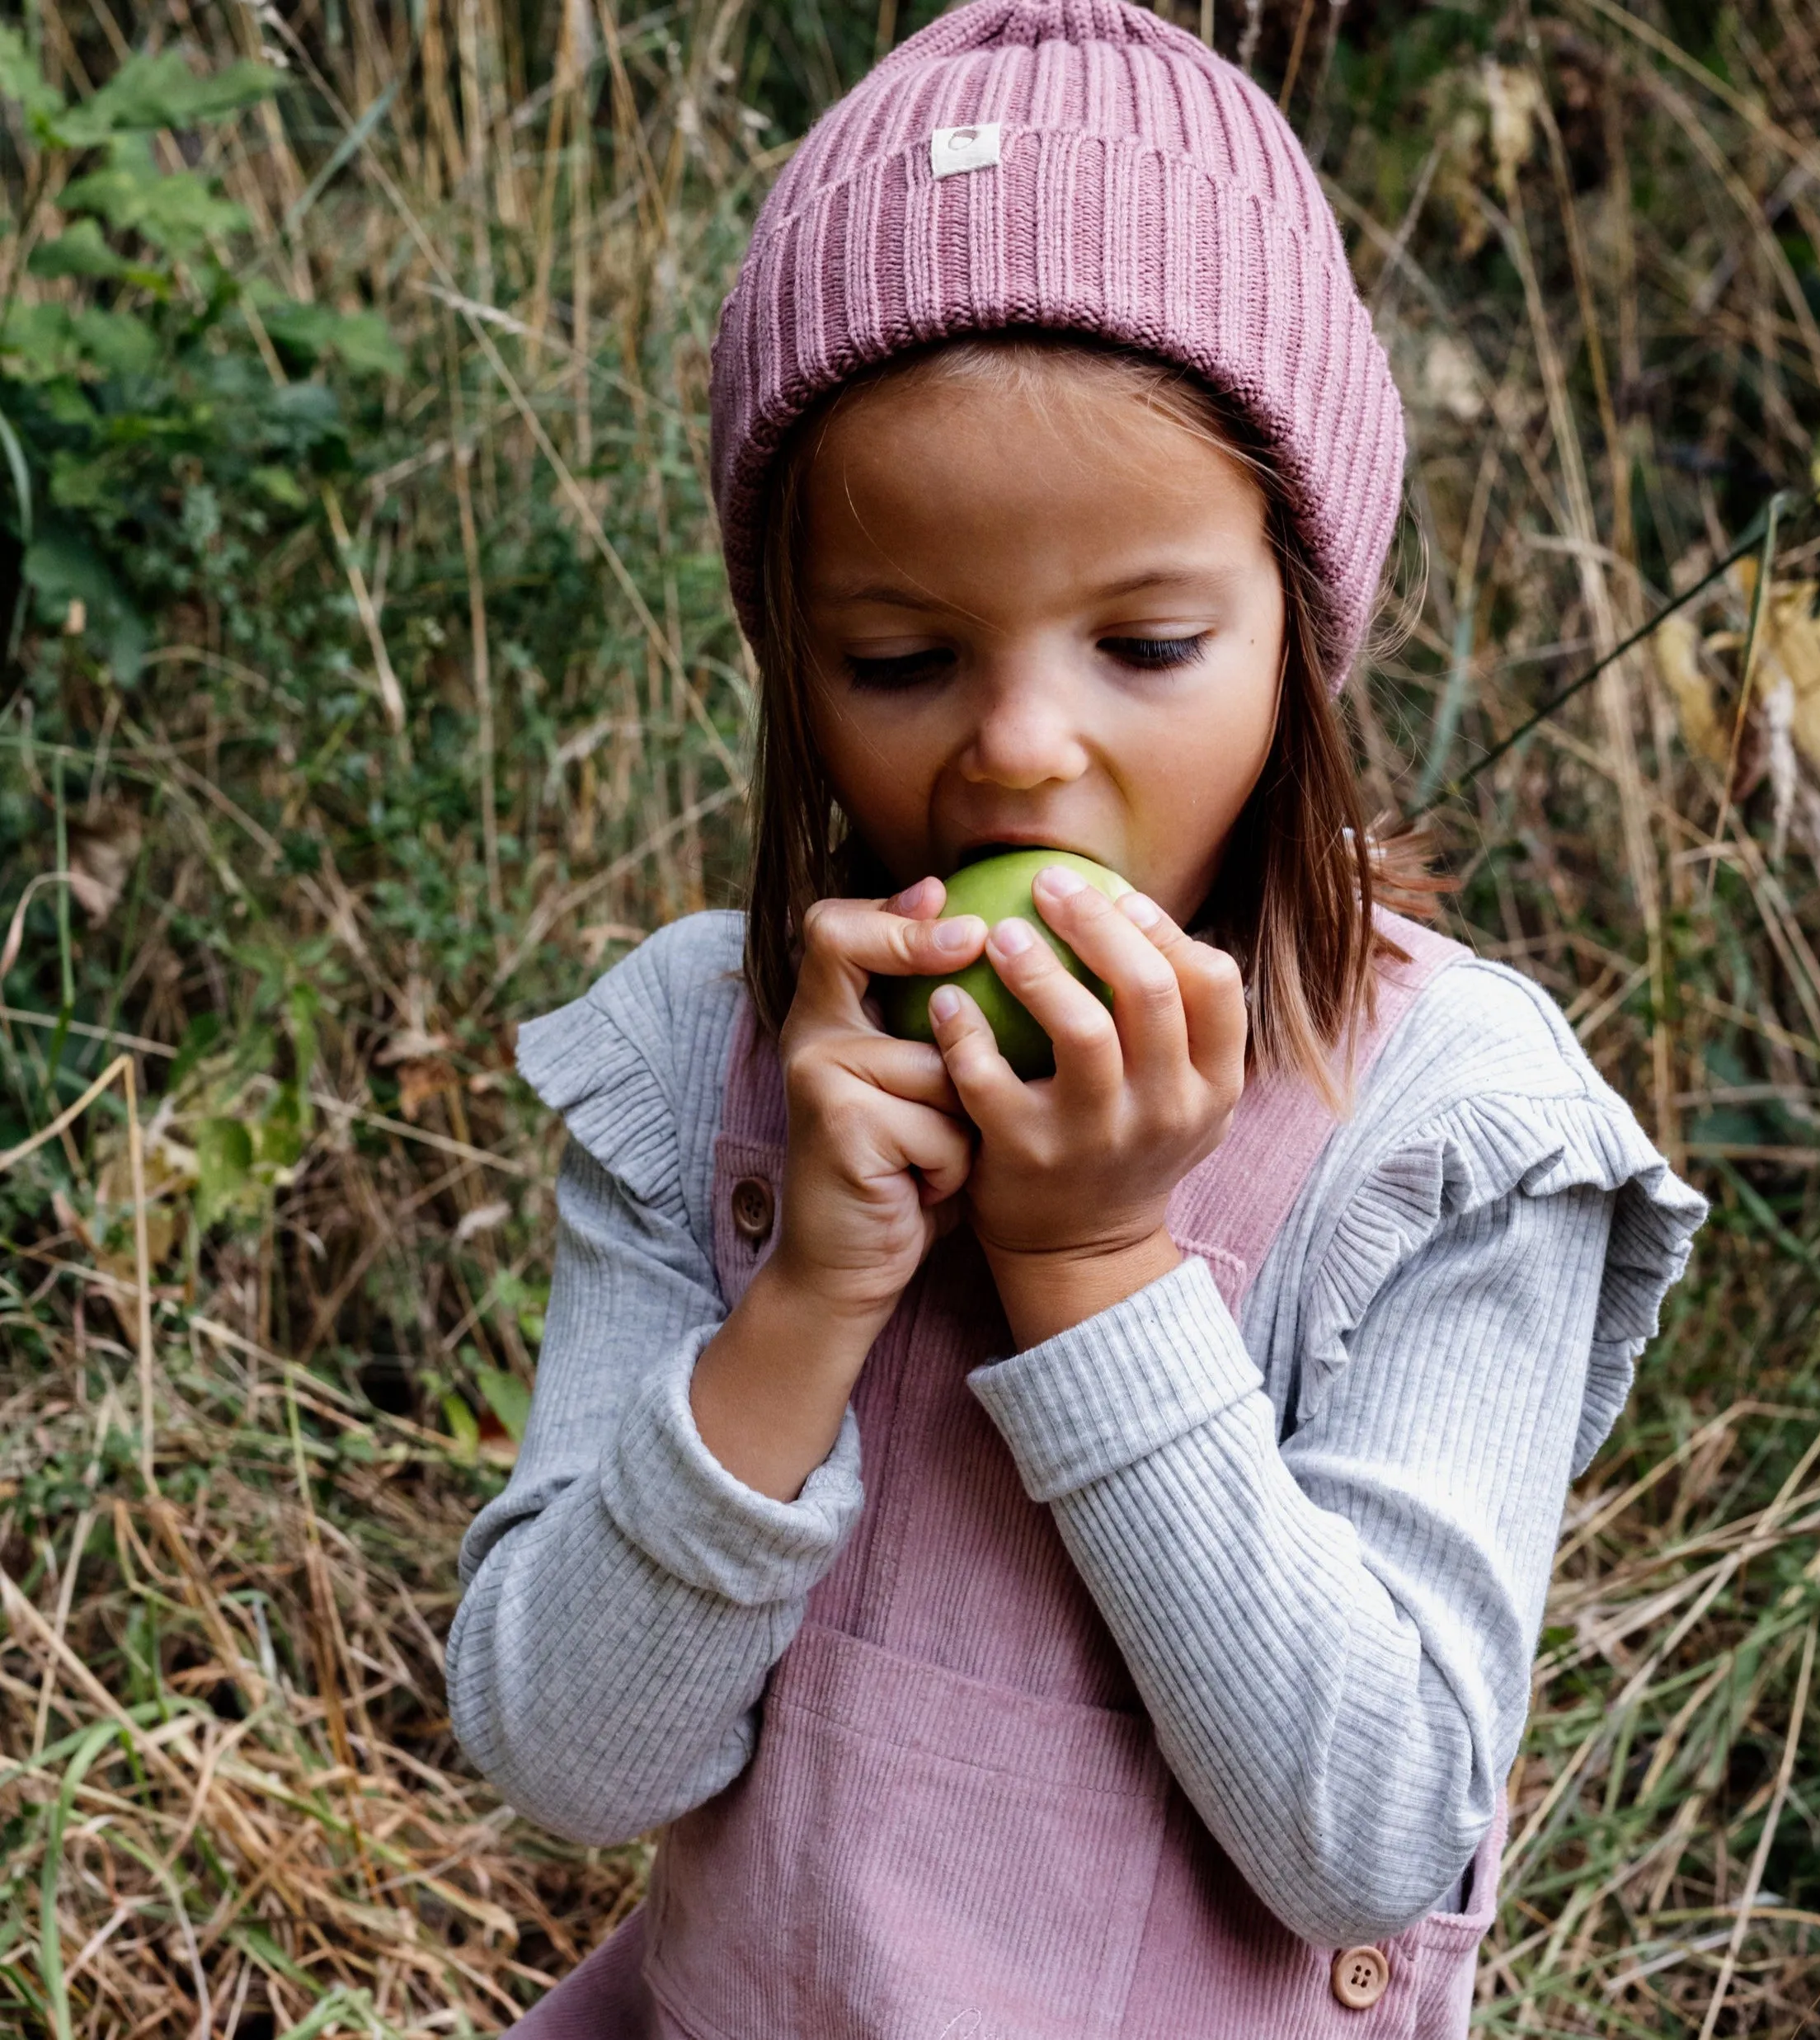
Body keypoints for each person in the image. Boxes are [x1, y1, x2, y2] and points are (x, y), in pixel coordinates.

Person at [447, 3, 1708, 2035]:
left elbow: (1372, 1830)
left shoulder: (1443, 1131)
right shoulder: (711, 1055)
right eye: (900, 653)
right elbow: (564, 1759)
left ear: (1304, 620)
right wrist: (805, 1308)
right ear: (788, 656)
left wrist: (1099, 1267)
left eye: (1147, 642)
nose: (1021, 751)